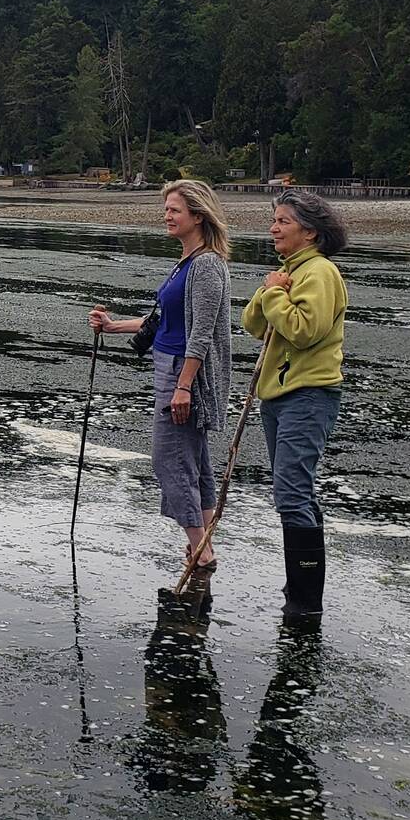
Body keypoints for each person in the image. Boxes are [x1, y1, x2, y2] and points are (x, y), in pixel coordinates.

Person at [88, 180, 235, 571]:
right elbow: (164, 321)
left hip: (184, 375)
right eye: (166, 209)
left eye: (175, 210)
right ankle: (204, 548)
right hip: (168, 366)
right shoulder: (186, 262)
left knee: (168, 460)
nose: (166, 216)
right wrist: (113, 326)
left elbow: (201, 332)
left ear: (198, 216)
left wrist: (184, 386)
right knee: (194, 461)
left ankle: (199, 551)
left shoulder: (206, 265)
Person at [241, 189, 349, 618]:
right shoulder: (288, 272)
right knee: (295, 492)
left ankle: (305, 603)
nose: (273, 228)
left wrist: (273, 295)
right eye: (275, 220)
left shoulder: (320, 273)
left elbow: (305, 331)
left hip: (308, 395)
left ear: (310, 231)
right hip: (279, 397)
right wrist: (270, 290)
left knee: (290, 493)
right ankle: (299, 590)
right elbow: (252, 323)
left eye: (283, 221)